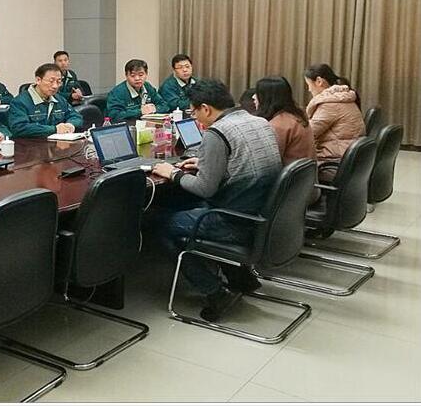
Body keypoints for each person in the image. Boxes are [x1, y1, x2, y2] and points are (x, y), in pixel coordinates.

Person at [152, 79, 282, 323]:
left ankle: (215, 292)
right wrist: (206, 163)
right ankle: (241, 278)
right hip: (262, 215)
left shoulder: (217, 132)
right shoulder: (259, 121)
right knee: (182, 206)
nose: (195, 117)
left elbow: (204, 188)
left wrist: (173, 174)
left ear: (206, 108)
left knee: (158, 224)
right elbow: (242, 162)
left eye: (194, 111)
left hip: (234, 221)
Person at [304, 63, 365, 179]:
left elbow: (307, 134)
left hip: (334, 162)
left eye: (309, 85)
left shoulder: (330, 105)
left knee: (293, 168)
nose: (309, 89)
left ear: (319, 81)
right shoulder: (343, 97)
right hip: (348, 159)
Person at [8, 63, 83, 138]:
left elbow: (76, 116)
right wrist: (54, 129)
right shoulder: (20, 102)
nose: (55, 86)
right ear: (38, 80)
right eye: (51, 81)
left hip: (57, 143)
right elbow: (19, 128)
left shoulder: (59, 99)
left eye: (58, 82)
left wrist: (70, 125)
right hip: (31, 143)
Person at [254, 76, 315, 165]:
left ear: (267, 98)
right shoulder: (297, 116)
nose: (254, 97)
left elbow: (266, 161)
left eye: (258, 94)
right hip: (305, 172)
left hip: (287, 173)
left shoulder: (279, 125)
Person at [106, 59, 169, 123]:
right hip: (129, 126)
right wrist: (140, 111)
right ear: (126, 76)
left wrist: (154, 109)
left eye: (141, 75)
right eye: (133, 76)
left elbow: (165, 105)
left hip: (148, 125)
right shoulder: (117, 92)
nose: (137, 78)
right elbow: (114, 116)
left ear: (146, 74)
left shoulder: (147, 86)